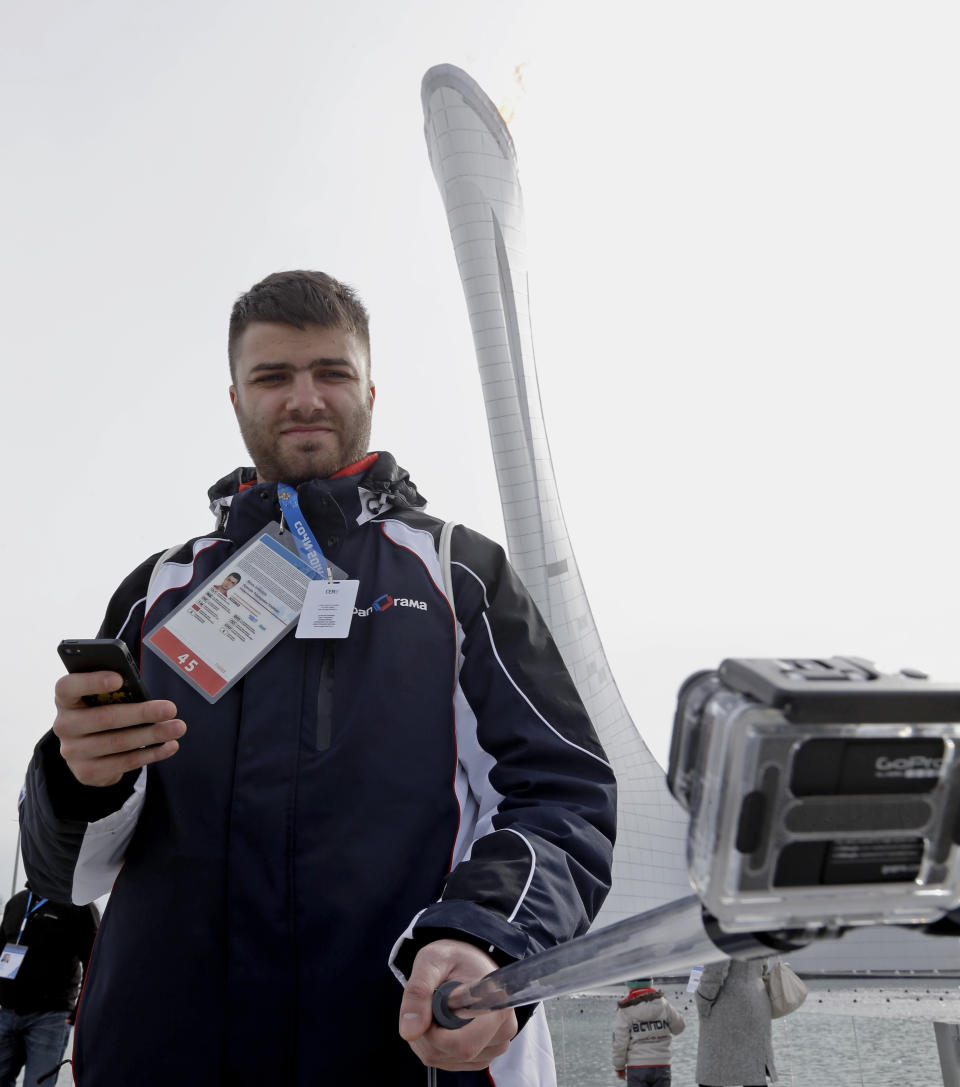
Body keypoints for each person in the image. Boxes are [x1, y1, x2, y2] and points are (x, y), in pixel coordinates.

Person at [18, 270, 617, 1086]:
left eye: (330, 372)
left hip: (404, 1046)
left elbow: (563, 794)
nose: (304, 397)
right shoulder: (158, 588)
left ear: (369, 388)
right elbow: (68, 872)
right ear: (235, 400)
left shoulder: (457, 573)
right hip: (159, 1053)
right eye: (273, 376)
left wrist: (481, 933)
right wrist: (75, 779)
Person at [0, 885, 99, 1087]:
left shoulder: (79, 905)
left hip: (51, 1018)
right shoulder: (17, 902)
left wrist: (78, 1014)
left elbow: (94, 965)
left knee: (39, 1084)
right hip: (7, 1013)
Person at [694, 959, 777, 1087]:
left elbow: (715, 970)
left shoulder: (723, 937)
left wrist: (702, 1000)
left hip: (728, 1005)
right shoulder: (757, 937)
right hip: (757, 998)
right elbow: (764, 965)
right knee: (754, 1074)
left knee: (711, 1076)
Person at [611, 983, 685, 1086]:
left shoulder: (625, 1009)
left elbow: (619, 1042)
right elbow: (679, 1027)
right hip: (662, 1064)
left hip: (636, 1066)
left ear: (629, 986)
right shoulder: (663, 1003)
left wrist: (619, 1067)